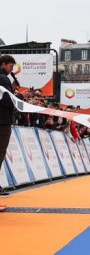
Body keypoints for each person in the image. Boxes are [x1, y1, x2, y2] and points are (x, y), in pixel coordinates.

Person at [0, 54, 17, 211]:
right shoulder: (4, 79)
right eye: (11, 66)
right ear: (4, 64)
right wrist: (17, 98)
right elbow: (7, 101)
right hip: (3, 122)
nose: (12, 69)